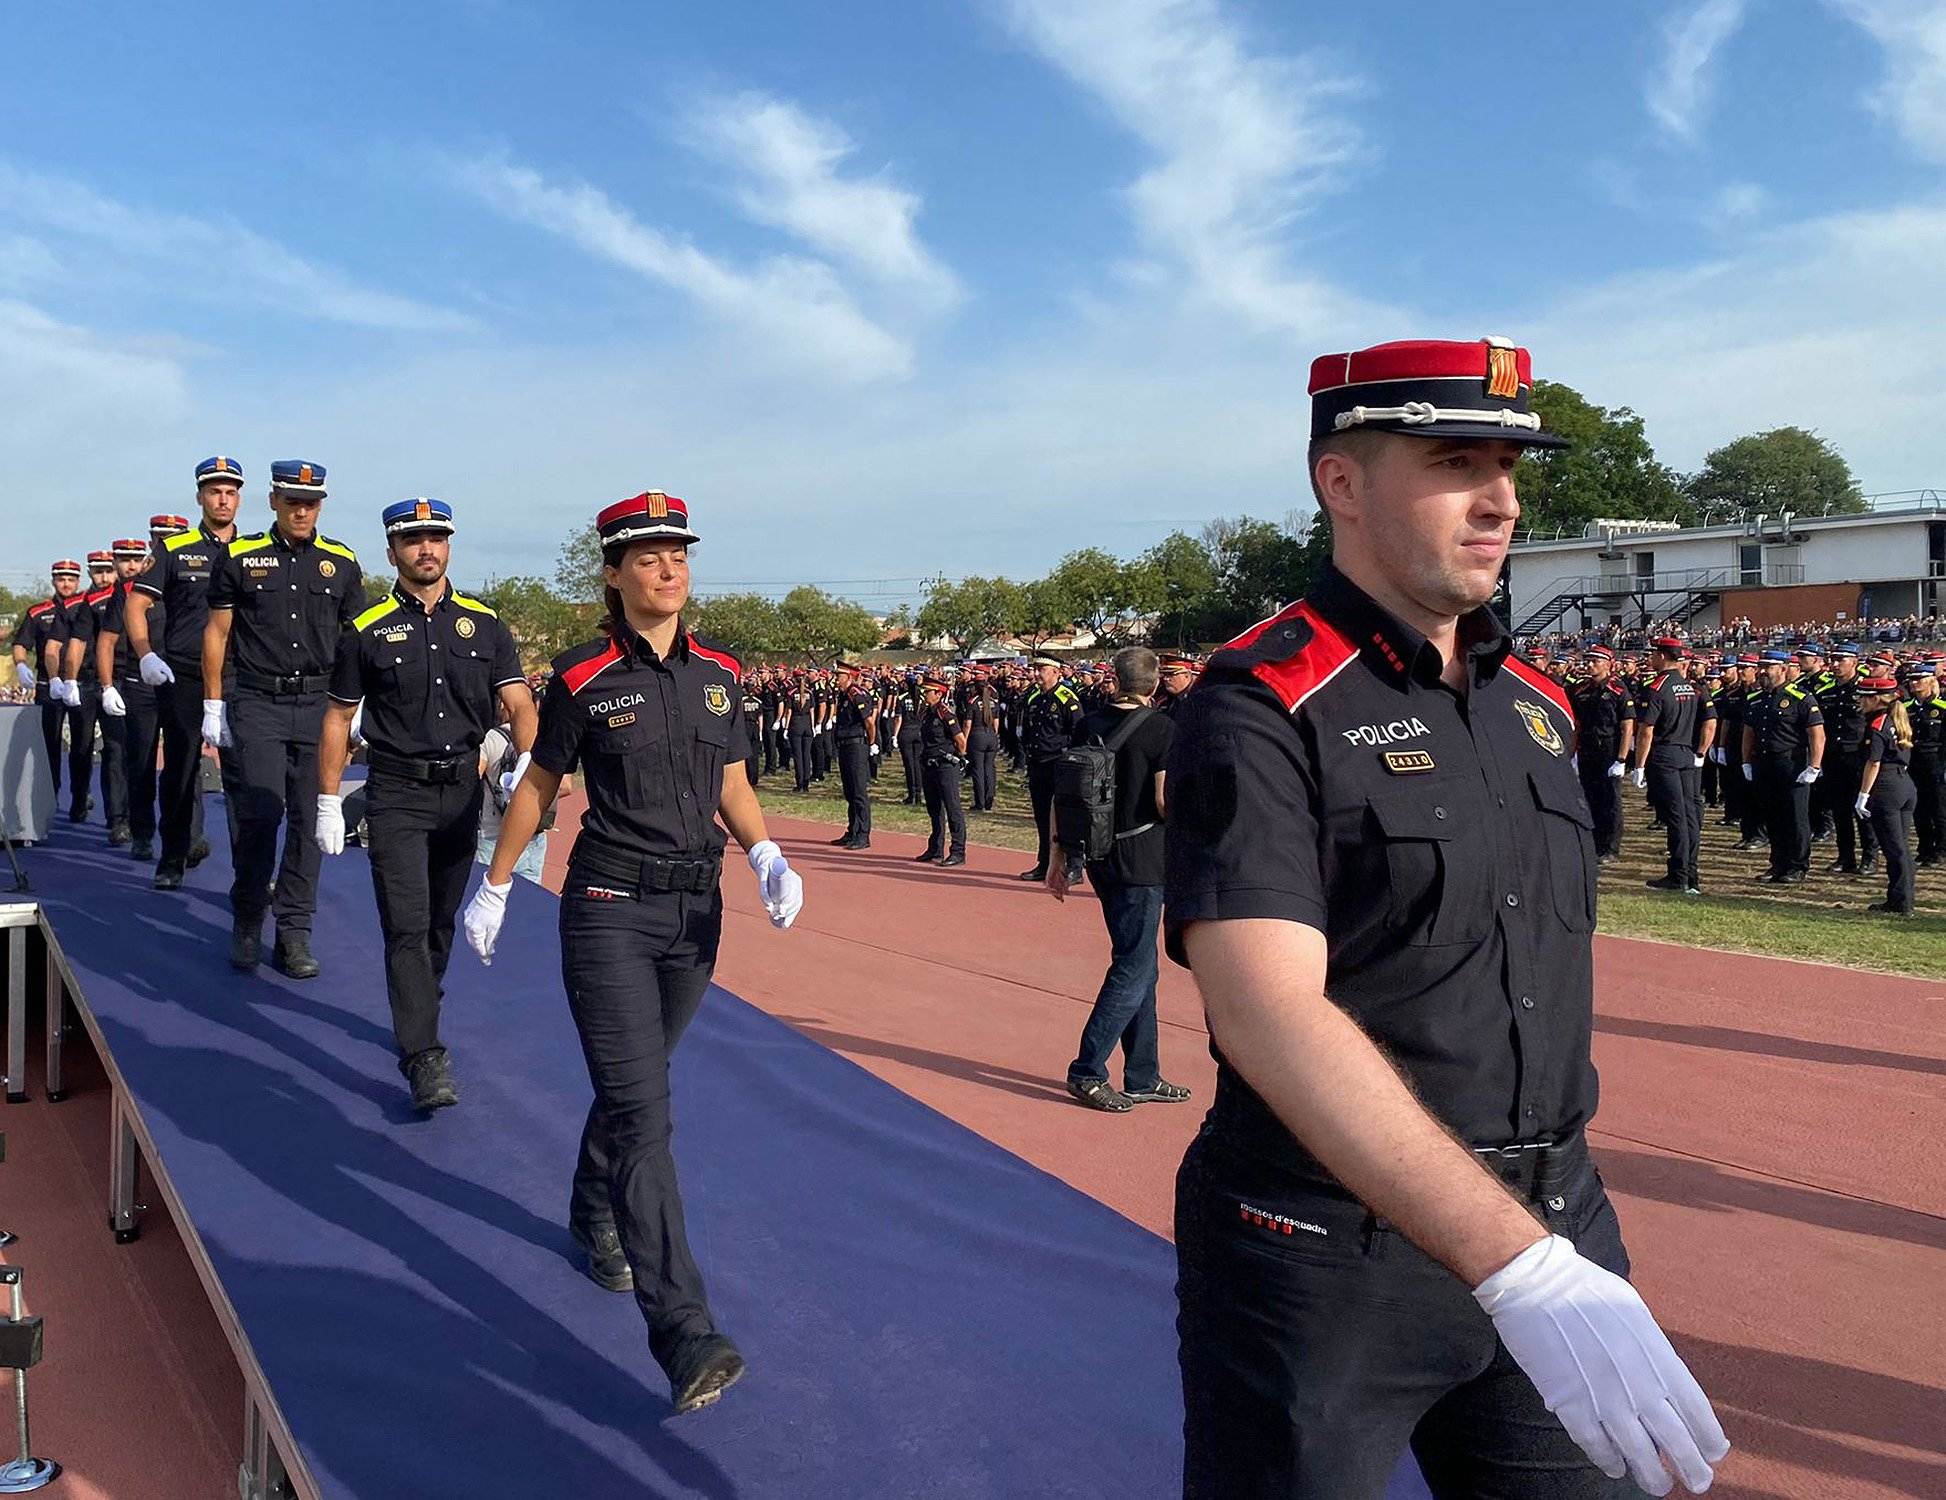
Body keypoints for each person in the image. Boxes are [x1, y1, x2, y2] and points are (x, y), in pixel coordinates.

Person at [1165, 337, 1726, 1498]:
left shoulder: (1536, 705)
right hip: (1324, 1254)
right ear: (1341, 482)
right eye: (1456, 460)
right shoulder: (1262, 704)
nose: (1501, 501)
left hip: (1552, 1215)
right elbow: (1265, 1012)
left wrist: (1541, 1249)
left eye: (1512, 467)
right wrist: (1514, 1264)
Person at [462, 488, 802, 1415]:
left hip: (697, 916)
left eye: (678, 551)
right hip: (609, 905)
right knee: (646, 1115)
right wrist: (497, 884)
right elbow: (540, 785)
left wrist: (765, 848)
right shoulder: (578, 677)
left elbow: (729, 776)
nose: (669, 566)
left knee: (636, 1081)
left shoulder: (721, 672)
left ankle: (589, 1206)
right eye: (647, 554)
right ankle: (685, 1332)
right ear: (613, 572)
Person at [316, 498, 536, 1110]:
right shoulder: (365, 630)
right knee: (407, 927)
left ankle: (417, 1010)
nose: (426, 549)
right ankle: (423, 1054)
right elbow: (337, 717)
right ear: (393, 552)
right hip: (396, 795)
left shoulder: (486, 625)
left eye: (436, 537)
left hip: (462, 795)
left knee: (440, 926)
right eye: (413, 540)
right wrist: (328, 799)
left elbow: (518, 700)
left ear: (449, 546)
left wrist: (524, 760)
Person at [202, 460, 363, 976]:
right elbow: (218, 634)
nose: (301, 510)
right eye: (292, 500)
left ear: (320, 506)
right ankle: (249, 916)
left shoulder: (341, 563)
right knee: (260, 814)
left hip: (319, 706)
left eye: (311, 502)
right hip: (258, 703)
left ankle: (294, 932)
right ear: (273, 501)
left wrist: (357, 709)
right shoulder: (240, 556)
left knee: (310, 818)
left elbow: (355, 641)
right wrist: (213, 703)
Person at [1047, 646, 1191, 1114]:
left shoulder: (1090, 723)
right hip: (1144, 857)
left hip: (1100, 853)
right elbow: (1165, 801)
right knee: (1133, 965)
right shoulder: (1164, 729)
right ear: (1152, 684)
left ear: (1114, 679)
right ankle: (1087, 1070)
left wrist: (1056, 854)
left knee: (1140, 964)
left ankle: (1142, 1072)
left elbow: (1063, 794)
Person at [128, 458, 246, 889]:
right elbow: (136, 605)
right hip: (184, 675)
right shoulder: (174, 550)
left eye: (231, 491)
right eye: (215, 491)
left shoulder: (251, 551)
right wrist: (145, 654)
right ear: (200, 497)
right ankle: (173, 857)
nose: (223, 498)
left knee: (243, 776)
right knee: (179, 769)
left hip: (237, 677)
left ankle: (247, 873)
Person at [95, 524, 185, 862]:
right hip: (140, 683)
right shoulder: (130, 590)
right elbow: (107, 640)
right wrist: (106, 687)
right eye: (160, 539)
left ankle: (189, 836)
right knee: (141, 761)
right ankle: (142, 833)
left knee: (186, 761)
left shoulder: (193, 582)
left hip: (181, 682)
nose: (165, 545)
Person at [1630, 637, 1709, 895]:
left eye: (1654, 654)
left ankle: (1679, 875)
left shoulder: (1656, 687)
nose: (1651, 659)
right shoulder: (1688, 687)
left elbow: (1646, 731)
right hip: (1686, 752)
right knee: (1689, 815)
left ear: (1663, 656)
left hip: (1665, 754)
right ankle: (1691, 873)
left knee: (1675, 816)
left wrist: (1639, 765)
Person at [1743, 651, 1824, 885]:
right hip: (1765, 763)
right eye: (1761, 666)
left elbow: (1816, 734)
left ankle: (1797, 866)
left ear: (1782, 669)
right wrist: (1746, 761)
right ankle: (1778, 864)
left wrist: (1814, 766)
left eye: (1768, 667)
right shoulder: (1756, 699)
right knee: (1773, 816)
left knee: (1796, 818)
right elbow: (1749, 732)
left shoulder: (1801, 697)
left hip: (1792, 764)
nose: (1762, 671)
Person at [12, 562, 80, 806]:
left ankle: (80, 794)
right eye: (61, 578)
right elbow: (21, 643)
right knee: (49, 744)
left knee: (83, 744)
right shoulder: (38, 612)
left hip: (79, 683)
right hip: (47, 686)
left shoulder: (85, 608)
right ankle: (50, 794)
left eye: (71, 579)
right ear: (53, 580)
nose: (66, 584)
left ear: (78, 581)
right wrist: (20, 664)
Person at [1018, 655, 1084, 881]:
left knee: (1065, 816)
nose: (1037, 674)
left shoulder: (1066, 698)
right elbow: (1028, 729)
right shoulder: (1034, 697)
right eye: (1035, 670)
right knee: (1042, 816)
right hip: (1038, 763)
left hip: (1060, 764)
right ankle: (1044, 862)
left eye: (1042, 669)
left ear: (1056, 672)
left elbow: (1079, 732)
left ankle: (1075, 865)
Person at [1856, 676, 1916, 915]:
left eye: (1863, 697)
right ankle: (1898, 898)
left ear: (1875, 699)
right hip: (1904, 783)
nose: (1860, 701)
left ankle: (1903, 902)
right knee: (1900, 846)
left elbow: (1874, 762)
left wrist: (1863, 794)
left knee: (1894, 848)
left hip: (1886, 787)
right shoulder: (1897, 719)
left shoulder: (1878, 723)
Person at [1817, 646, 1879, 877]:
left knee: (1862, 810)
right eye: (1832, 660)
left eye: (1840, 660)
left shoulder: (1867, 689)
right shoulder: (1826, 692)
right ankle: (1846, 857)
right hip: (1834, 757)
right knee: (1840, 810)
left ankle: (1870, 857)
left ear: (1854, 661)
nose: (1834, 664)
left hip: (1859, 757)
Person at [1568, 645, 1632, 863]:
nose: (1589, 664)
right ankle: (1593, 843)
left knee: (1610, 801)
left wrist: (1622, 759)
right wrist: (1572, 753)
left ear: (1608, 664)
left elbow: (1627, 726)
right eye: (1588, 660)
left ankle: (1611, 847)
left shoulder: (1618, 690)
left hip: (1609, 748)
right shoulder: (1580, 690)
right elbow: (1575, 724)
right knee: (1589, 798)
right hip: (1587, 749)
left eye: (1595, 661)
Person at [915, 672, 968, 866]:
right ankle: (935, 848)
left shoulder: (945, 713)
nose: (925, 694)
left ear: (938, 693)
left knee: (953, 808)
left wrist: (960, 759)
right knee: (934, 809)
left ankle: (958, 851)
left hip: (945, 766)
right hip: (929, 765)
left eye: (928, 691)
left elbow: (961, 741)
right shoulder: (927, 713)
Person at [828, 656, 876, 849]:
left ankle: (863, 834)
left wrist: (871, 743)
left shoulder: (857, 694)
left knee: (858, 791)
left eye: (839, 675)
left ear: (849, 676)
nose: (836, 679)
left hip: (857, 745)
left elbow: (869, 722)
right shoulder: (844, 695)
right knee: (849, 790)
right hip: (845, 744)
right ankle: (853, 830)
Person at [1908, 664, 1944, 864]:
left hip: (1936, 762)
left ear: (1930, 681)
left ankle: (1941, 848)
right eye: (1912, 679)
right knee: (1919, 809)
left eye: (1918, 679)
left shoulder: (1942, 707)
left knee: (1938, 809)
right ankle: (1925, 847)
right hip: (1914, 763)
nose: (1914, 683)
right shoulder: (1906, 708)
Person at [965, 670, 1002, 811]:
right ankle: (989, 800)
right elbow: (996, 722)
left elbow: (968, 723)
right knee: (990, 769)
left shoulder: (972, 702)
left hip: (977, 736)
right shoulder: (993, 701)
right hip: (991, 735)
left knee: (978, 770)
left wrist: (965, 740)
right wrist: (994, 735)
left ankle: (979, 802)